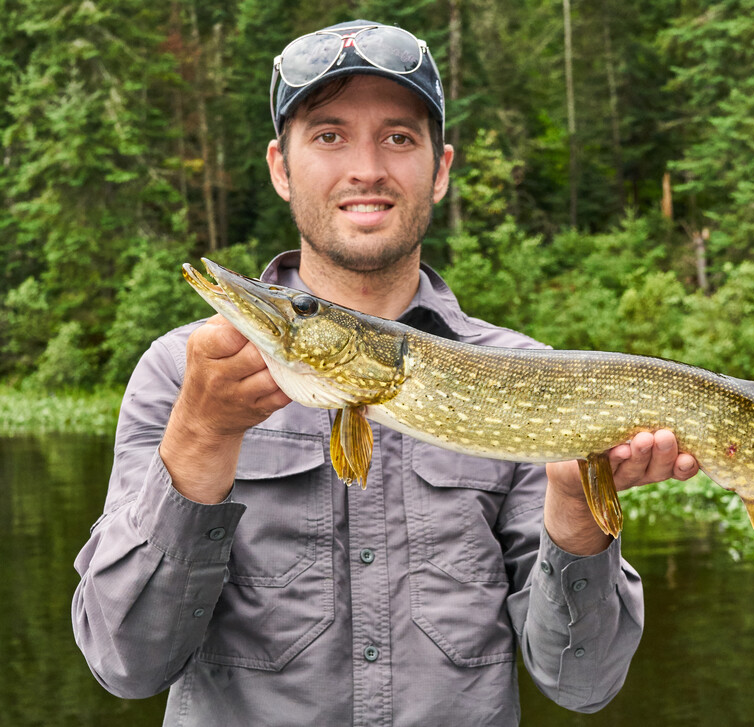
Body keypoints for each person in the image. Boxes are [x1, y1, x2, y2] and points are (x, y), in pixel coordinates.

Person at [73, 19, 698, 726]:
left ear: (440, 167)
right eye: (329, 135)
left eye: (398, 137)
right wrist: (198, 439)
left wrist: (579, 513)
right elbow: (125, 663)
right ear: (281, 166)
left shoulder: (526, 376)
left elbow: (581, 682)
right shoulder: (178, 375)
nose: (366, 168)